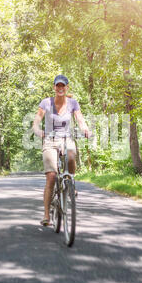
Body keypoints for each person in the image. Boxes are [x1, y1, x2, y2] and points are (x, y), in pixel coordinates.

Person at [32, 75, 91, 226]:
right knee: (51, 176)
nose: (60, 88)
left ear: (66, 88)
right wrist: (38, 131)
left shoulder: (73, 103)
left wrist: (85, 129)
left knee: (71, 154)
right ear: (54, 87)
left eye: (62, 86)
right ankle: (46, 215)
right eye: (57, 86)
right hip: (50, 141)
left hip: (66, 139)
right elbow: (36, 121)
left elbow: (80, 119)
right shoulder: (46, 103)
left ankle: (71, 182)